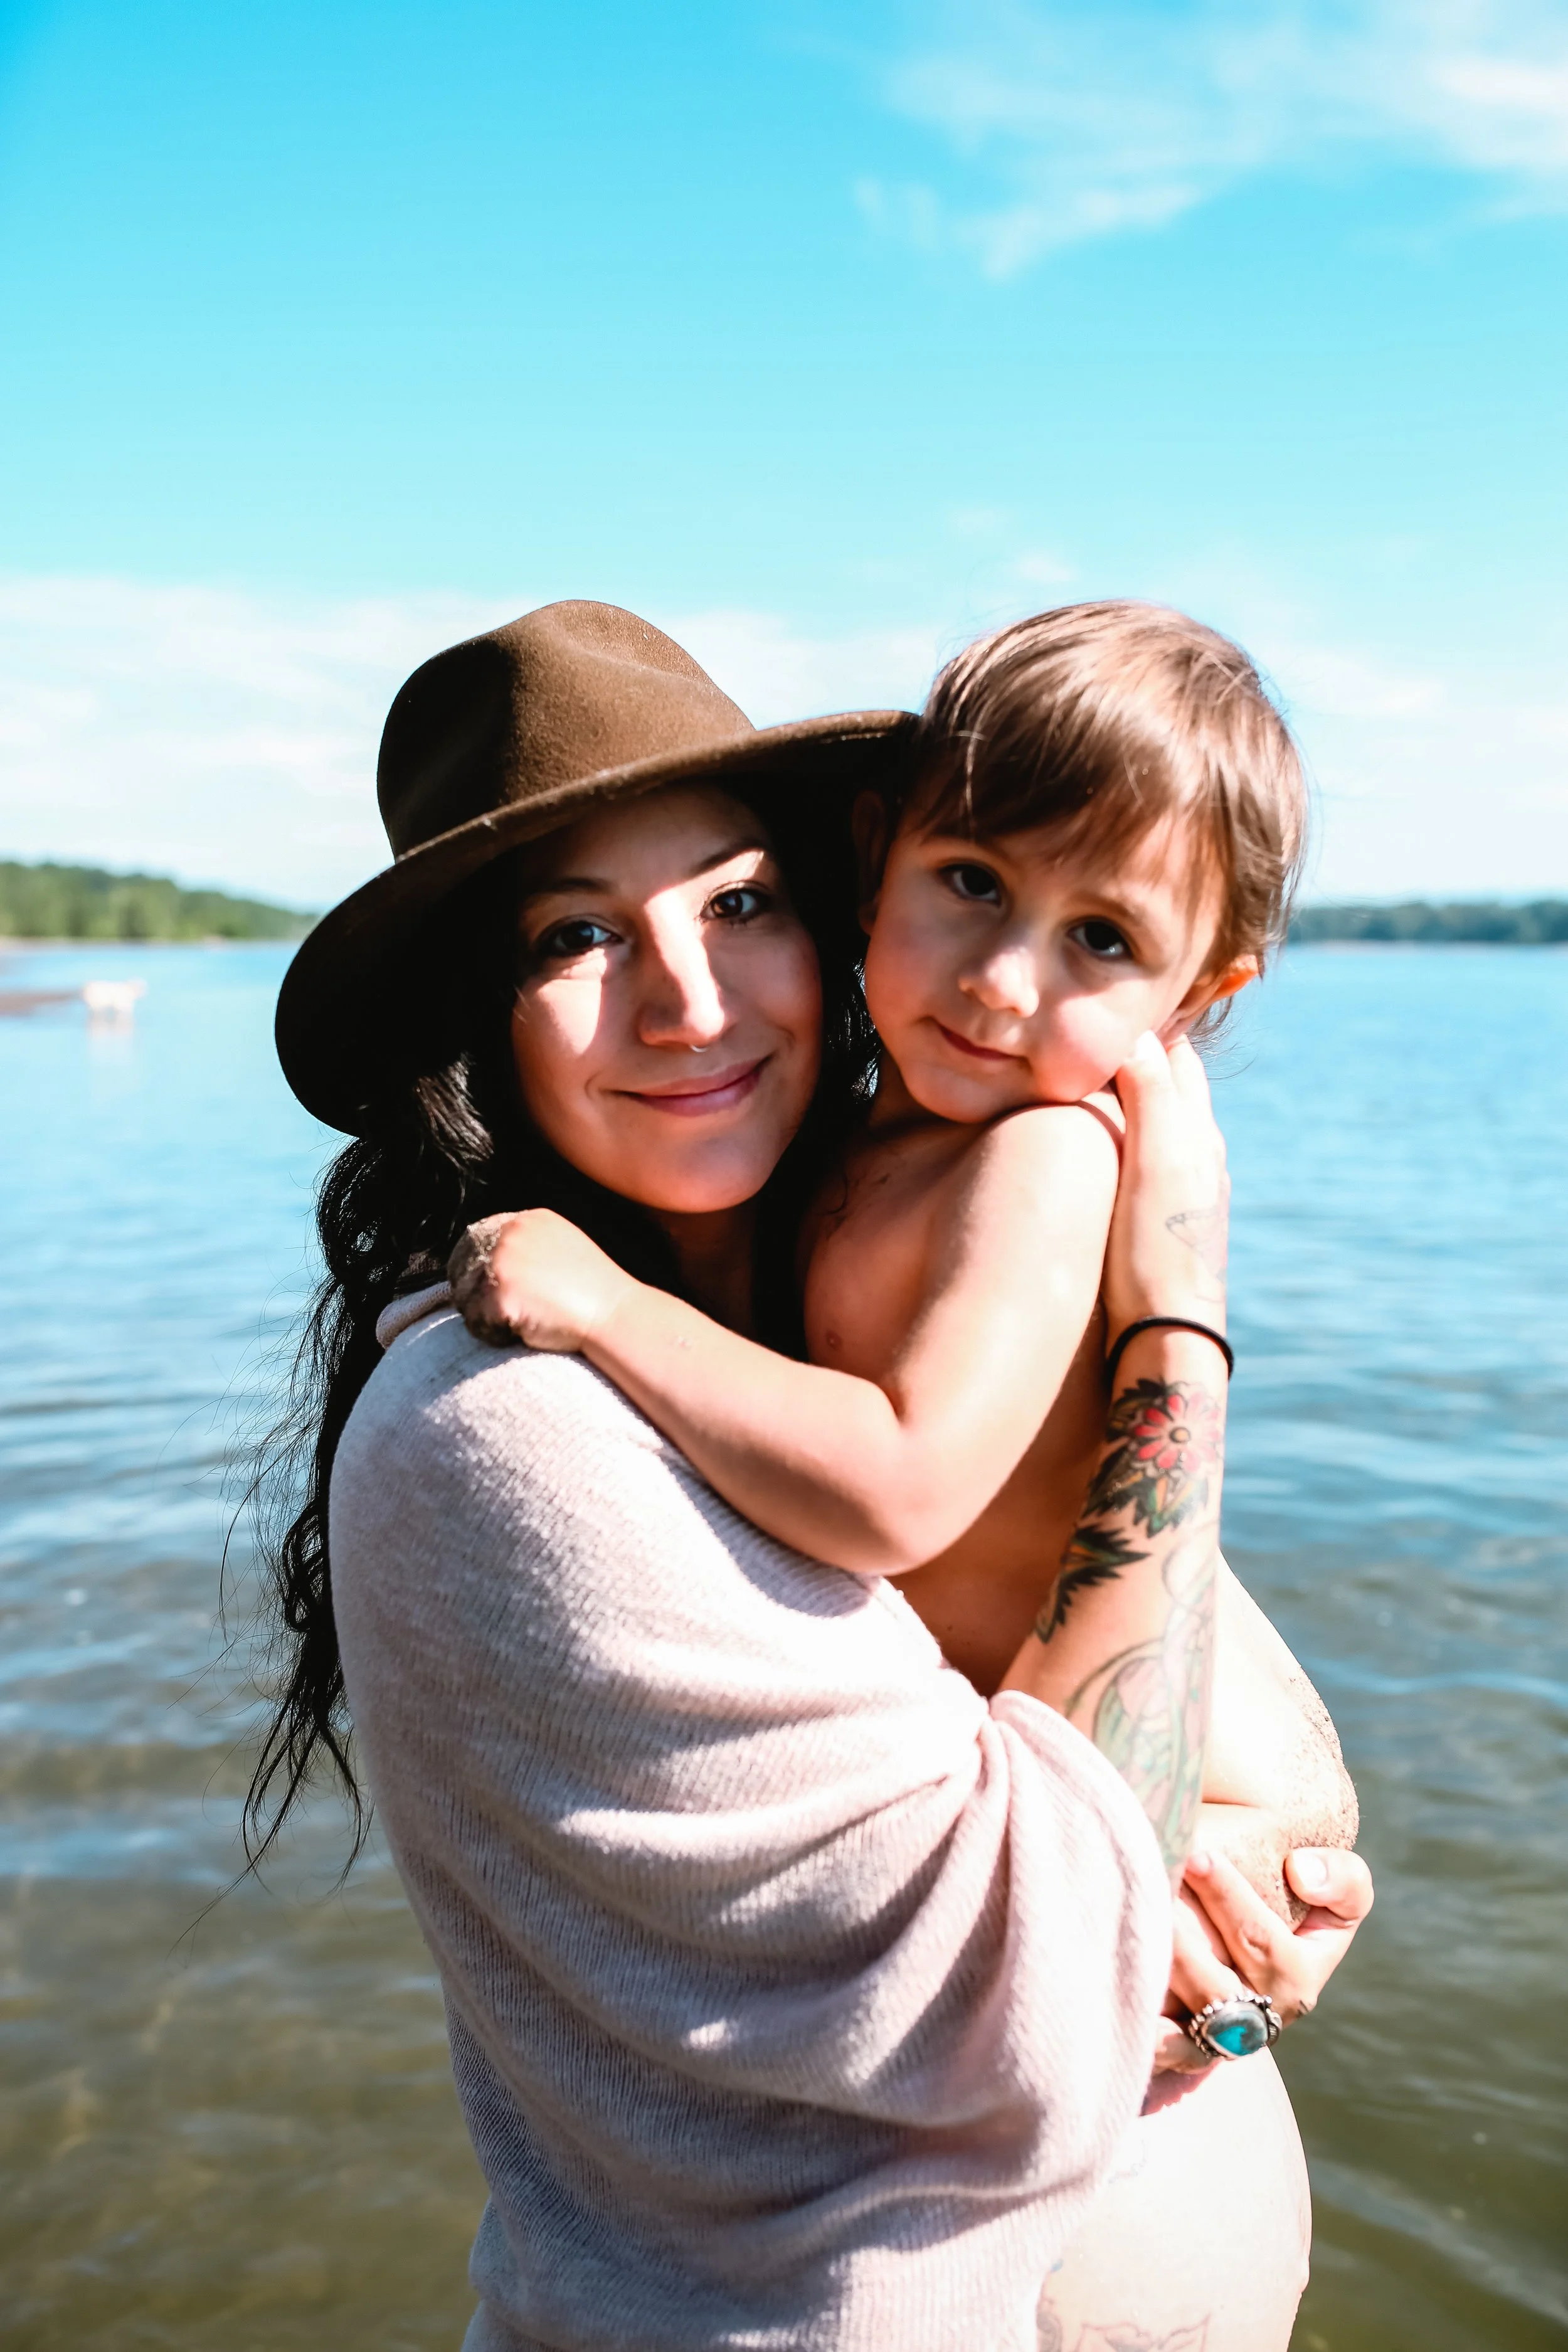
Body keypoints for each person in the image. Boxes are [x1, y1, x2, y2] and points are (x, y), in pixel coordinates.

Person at [261, 601, 1371, 2352]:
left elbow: (1137, 1613)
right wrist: (1177, 1323)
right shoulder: (502, 1429)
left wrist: (1272, 1843)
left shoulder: (926, 1202)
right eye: (577, 935)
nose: (689, 999)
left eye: (738, 901)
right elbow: (997, 1976)